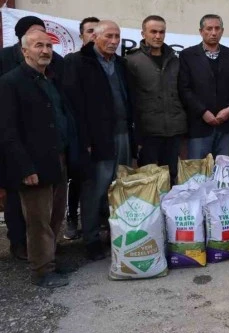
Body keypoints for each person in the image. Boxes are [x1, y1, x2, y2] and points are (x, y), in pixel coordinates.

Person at [0, 30, 77, 287]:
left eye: (48, 46)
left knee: (55, 215)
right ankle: (42, 270)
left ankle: (50, 259)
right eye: (38, 46)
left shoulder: (50, 80)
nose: (45, 50)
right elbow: (7, 131)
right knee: (37, 221)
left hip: (57, 158)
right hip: (32, 164)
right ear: (24, 51)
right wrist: (24, 167)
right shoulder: (10, 83)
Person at [64, 21, 134, 261]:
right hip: (97, 139)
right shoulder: (77, 63)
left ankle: (114, 235)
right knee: (94, 190)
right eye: (109, 36)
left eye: (117, 36)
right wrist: (85, 140)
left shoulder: (122, 64)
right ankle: (91, 240)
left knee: (119, 188)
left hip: (123, 135)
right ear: (94, 37)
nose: (114, 41)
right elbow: (73, 106)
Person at [126, 15, 187, 184]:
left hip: (174, 130)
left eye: (162, 32)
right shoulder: (131, 60)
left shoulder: (175, 60)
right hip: (147, 131)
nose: (158, 36)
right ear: (143, 33)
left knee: (172, 177)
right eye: (153, 32)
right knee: (149, 180)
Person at [178, 14, 229, 158]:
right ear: (201, 31)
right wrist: (203, 112)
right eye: (209, 29)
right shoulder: (187, 55)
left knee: (222, 172)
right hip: (199, 125)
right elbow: (184, 89)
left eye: (217, 28)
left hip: (225, 125)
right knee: (198, 173)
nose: (213, 32)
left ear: (222, 31)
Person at [62, 16, 100, 241]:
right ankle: (72, 219)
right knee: (79, 180)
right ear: (82, 35)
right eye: (90, 31)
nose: (94, 35)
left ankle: (100, 219)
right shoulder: (72, 61)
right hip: (80, 133)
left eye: (98, 31)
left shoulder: (108, 62)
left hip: (103, 134)